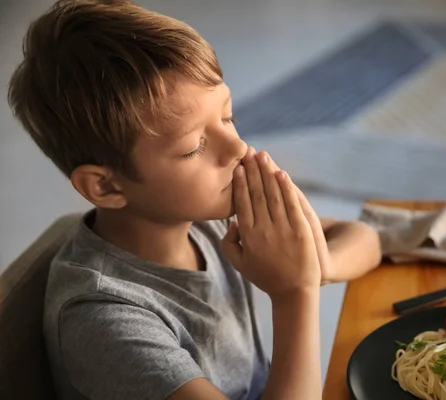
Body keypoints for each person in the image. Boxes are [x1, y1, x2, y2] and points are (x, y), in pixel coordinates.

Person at [7, 1, 382, 399]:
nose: (237, 147)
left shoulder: (202, 212)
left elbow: (364, 237)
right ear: (106, 188)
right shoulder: (105, 320)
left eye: (227, 116)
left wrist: (312, 265)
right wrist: (295, 294)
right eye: (193, 148)